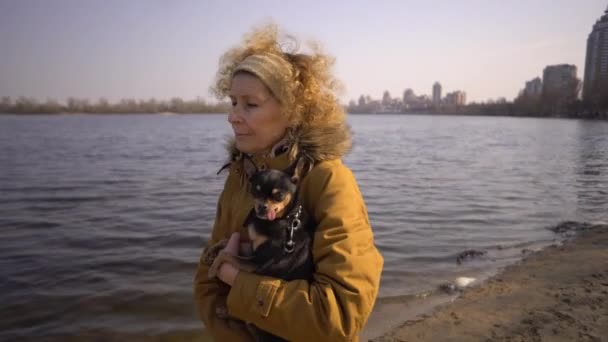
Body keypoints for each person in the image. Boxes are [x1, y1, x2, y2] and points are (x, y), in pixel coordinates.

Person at [194, 24, 383, 341]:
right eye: (232, 102)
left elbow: (338, 316)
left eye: (250, 104)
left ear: (294, 112)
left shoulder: (329, 181)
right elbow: (208, 285)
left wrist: (235, 277)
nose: (233, 116)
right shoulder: (241, 177)